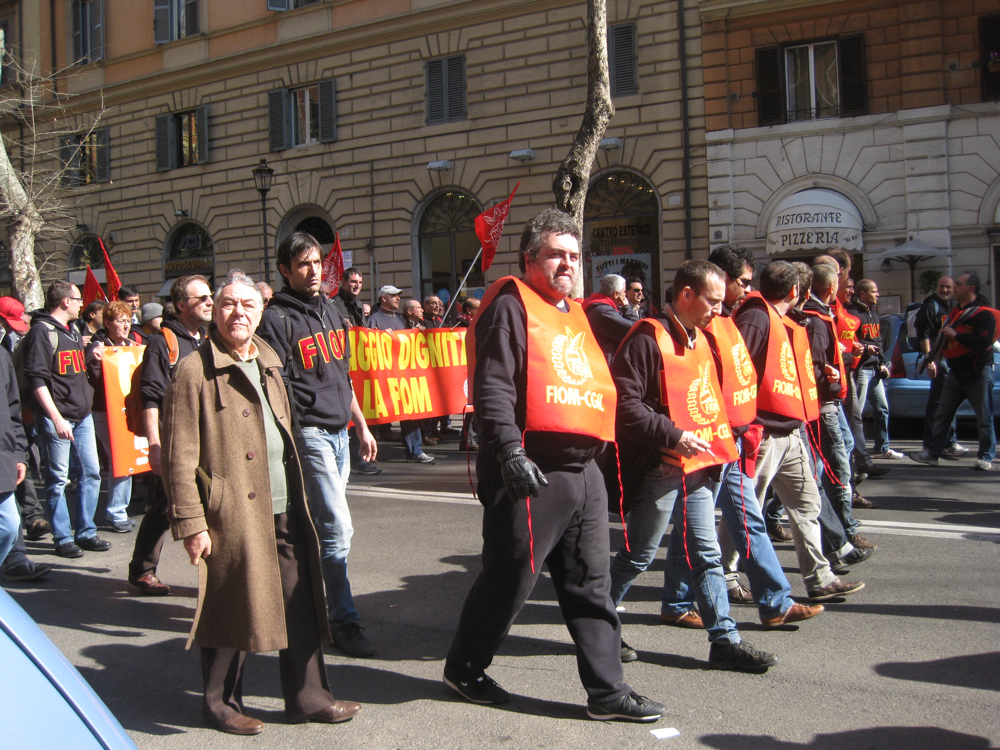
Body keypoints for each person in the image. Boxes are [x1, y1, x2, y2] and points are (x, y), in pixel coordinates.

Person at [443, 208, 665, 722]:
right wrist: (508, 452)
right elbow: (493, 386)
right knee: (511, 577)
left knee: (591, 580)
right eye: (555, 254)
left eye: (572, 255)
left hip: (582, 470)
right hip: (530, 467)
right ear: (529, 260)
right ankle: (465, 666)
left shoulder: (574, 310)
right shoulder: (511, 305)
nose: (567, 263)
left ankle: (609, 693)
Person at [162, 274, 361, 736]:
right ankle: (219, 703)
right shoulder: (194, 370)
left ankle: (308, 698)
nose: (238, 313)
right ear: (214, 310)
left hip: (285, 502)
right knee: (230, 602)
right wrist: (192, 522)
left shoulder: (268, 357)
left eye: (247, 304)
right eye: (228, 304)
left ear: (259, 309)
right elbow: (179, 456)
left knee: (299, 600)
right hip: (230, 510)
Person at [611, 260, 788, 673]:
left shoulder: (701, 338)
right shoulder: (646, 337)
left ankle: (724, 640)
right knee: (638, 554)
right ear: (686, 295)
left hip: (700, 466)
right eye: (712, 301)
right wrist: (673, 435)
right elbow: (624, 406)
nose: (719, 311)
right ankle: (598, 620)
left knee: (706, 555)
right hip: (662, 466)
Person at [259, 232, 380, 659]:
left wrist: (361, 425)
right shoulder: (276, 319)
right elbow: (274, 386)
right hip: (309, 433)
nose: (313, 271)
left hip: (340, 431)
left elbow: (342, 376)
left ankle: (301, 602)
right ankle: (343, 621)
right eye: (303, 264)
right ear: (285, 270)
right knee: (336, 527)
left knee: (323, 527)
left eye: (316, 262)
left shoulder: (331, 309)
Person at [733, 262, 864, 601]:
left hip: (788, 432)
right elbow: (740, 370)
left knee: (806, 506)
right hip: (764, 434)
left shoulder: (779, 319)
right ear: (795, 292)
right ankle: (725, 574)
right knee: (746, 512)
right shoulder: (757, 318)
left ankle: (820, 579)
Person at [128, 275, 213, 595]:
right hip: (174, 440)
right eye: (200, 298)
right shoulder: (163, 343)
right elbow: (150, 398)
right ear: (181, 305)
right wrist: (154, 445)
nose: (209, 302)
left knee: (205, 502)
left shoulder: (205, 338)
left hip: (203, 436)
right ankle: (142, 570)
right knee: (165, 506)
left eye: (210, 296)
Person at [22, 281, 109, 558]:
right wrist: (55, 417)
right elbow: (38, 379)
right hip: (58, 416)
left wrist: (88, 355)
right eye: (77, 298)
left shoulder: (72, 330)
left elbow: (67, 367)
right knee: (58, 478)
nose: (81, 303)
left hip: (81, 415)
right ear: (64, 302)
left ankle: (85, 532)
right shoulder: (41, 332)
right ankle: (62, 537)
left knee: (92, 473)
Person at [911, 273, 997, 471]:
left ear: (971, 289)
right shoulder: (955, 313)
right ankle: (932, 453)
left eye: (958, 284)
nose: (954, 288)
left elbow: (983, 342)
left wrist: (957, 335)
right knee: (943, 413)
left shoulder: (983, 314)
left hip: (977, 372)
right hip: (955, 371)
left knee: (984, 417)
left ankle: (985, 456)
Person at [85, 301, 138, 533]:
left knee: (126, 460)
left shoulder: (132, 345)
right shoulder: (99, 349)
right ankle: (116, 513)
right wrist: (97, 360)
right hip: (106, 411)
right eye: (120, 321)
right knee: (120, 460)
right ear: (107, 323)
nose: (126, 325)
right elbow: (96, 380)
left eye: (128, 320)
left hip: (128, 409)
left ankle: (119, 510)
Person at [368, 286, 433, 464]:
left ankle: (415, 450)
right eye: (394, 296)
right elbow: (368, 345)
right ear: (383, 298)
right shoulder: (374, 319)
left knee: (410, 413)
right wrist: (379, 336)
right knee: (374, 413)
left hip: (403, 375)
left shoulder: (401, 319)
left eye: (398, 296)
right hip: (384, 375)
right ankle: (367, 452)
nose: (398, 298)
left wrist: (417, 333)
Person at [330, 268, 379, 474]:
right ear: (342, 282)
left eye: (359, 282)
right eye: (352, 281)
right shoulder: (332, 304)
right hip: (342, 363)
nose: (356, 285)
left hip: (360, 366)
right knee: (348, 413)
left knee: (362, 410)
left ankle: (359, 455)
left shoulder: (359, 305)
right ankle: (352, 459)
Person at [847, 280, 902, 460]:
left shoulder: (875, 315)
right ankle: (856, 450)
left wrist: (883, 362)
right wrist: (864, 347)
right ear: (862, 294)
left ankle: (882, 447)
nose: (877, 295)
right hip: (862, 368)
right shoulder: (853, 314)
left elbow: (878, 342)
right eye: (873, 292)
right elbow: (850, 340)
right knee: (858, 411)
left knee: (882, 408)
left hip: (875, 368)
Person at [915, 275, 965, 455]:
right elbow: (924, 334)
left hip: (951, 359)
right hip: (939, 359)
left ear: (954, 290)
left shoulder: (953, 307)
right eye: (942, 287)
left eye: (948, 287)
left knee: (949, 403)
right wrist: (930, 360)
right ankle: (932, 443)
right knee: (938, 403)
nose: (945, 290)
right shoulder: (931, 306)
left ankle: (947, 443)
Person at [0, 342, 27, 568]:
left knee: (9, 525)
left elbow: (13, 409)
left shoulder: (2, 355)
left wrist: (19, 453)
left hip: (3, 457)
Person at [581, 274, 634, 363]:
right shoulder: (604, 311)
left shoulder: (599, 306)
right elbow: (635, 328)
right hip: (606, 365)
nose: (626, 295)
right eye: (624, 292)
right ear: (616, 294)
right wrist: (627, 307)